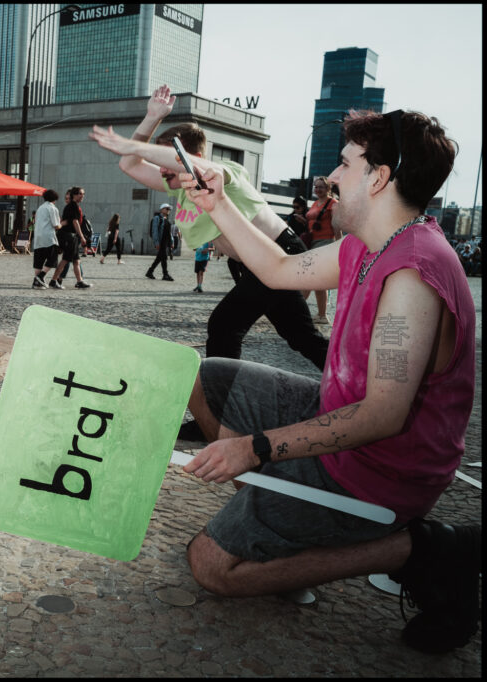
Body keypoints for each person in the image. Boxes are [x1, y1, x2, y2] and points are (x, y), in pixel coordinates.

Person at [176, 109, 479, 655]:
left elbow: (382, 416)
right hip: (334, 412)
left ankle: (418, 549)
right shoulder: (372, 240)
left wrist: (256, 448)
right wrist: (218, 203)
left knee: (212, 567)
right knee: (202, 377)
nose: (332, 178)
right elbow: (277, 271)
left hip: (381, 466)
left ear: (380, 177)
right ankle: (287, 526)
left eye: (344, 164)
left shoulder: (413, 274)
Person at [90, 83, 328, 370]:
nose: (162, 170)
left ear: (193, 158)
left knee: (225, 326)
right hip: (251, 264)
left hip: (280, 252)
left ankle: (216, 408)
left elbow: (195, 167)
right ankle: (355, 382)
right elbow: (130, 165)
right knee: (300, 335)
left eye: (166, 160)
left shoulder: (227, 172)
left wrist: (135, 146)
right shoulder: (180, 187)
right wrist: (153, 118)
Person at [300, 177, 340, 325]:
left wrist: (338, 245)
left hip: (325, 242)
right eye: (316, 187)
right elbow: (312, 221)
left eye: (321, 187)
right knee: (317, 281)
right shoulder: (316, 203)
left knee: (309, 278)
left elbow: (337, 226)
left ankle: (296, 310)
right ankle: (322, 315)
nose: (317, 190)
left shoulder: (333, 203)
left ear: (328, 188)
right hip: (313, 242)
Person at [49, 186, 92, 290]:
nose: (82, 196)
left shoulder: (73, 206)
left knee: (76, 260)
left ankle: (79, 281)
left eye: (83, 194)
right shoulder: (73, 206)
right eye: (80, 194)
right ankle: (53, 280)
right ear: (74, 195)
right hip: (69, 236)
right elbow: (75, 222)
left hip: (71, 236)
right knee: (65, 260)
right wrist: (82, 236)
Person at [31, 189, 61, 288]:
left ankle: (36, 282)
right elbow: (56, 225)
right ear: (55, 198)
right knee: (52, 258)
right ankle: (40, 276)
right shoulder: (52, 208)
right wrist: (62, 224)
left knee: (39, 260)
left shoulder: (40, 208)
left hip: (38, 236)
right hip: (48, 237)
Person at [146, 203, 174, 281]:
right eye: (167, 209)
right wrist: (156, 242)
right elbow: (154, 231)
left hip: (165, 242)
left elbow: (169, 232)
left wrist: (172, 242)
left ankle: (150, 271)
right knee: (164, 257)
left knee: (160, 258)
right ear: (162, 209)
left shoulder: (166, 219)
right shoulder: (157, 218)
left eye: (169, 209)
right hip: (161, 241)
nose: (169, 210)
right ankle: (165, 274)